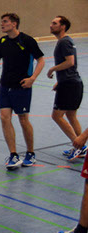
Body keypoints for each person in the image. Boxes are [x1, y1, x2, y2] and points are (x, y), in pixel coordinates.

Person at [0, 13, 45, 170]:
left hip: (22, 87)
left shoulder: (27, 40)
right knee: (5, 118)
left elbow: (41, 60)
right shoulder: (2, 41)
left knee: (23, 119)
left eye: (5, 22)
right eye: (2, 22)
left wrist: (32, 78)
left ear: (14, 23)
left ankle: (30, 153)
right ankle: (13, 155)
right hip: (4, 86)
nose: (2, 24)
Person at [46, 16, 85, 162]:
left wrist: (52, 69)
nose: (51, 25)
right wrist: (59, 81)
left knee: (56, 116)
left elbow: (70, 62)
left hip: (69, 85)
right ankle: (80, 146)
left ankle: (78, 145)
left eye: (54, 23)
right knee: (71, 115)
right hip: (71, 83)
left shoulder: (64, 42)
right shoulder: (65, 41)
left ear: (63, 26)